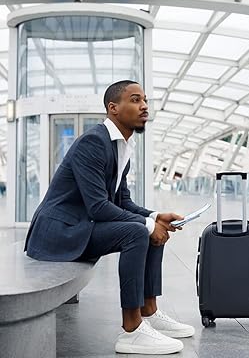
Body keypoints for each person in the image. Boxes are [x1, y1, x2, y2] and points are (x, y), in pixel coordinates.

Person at [24, 80, 193, 355]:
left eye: (145, 100)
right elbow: (98, 208)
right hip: (57, 233)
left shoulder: (120, 146)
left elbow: (122, 201)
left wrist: (155, 216)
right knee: (138, 232)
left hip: (79, 226)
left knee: (151, 228)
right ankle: (131, 330)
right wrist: (148, 225)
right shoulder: (94, 142)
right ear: (113, 108)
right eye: (136, 100)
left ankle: (149, 311)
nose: (144, 107)